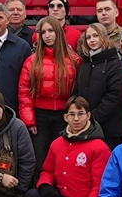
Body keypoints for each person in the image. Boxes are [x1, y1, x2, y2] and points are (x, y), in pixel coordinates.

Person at [26, 96, 109, 197]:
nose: (76, 118)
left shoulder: (99, 147)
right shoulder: (57, 143)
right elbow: (47, 170)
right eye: (72, 114)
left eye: (80, 113)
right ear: (65, 117)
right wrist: (45, 184)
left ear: (88, 115)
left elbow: (100, 189)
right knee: (33, 196)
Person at [18, 15, 78, 164]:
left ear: (58, 32)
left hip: (64, 116)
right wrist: (29, 121)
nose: (47, 35)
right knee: (40, 158)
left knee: (62, 157)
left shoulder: (74, 60)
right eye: (43, 32)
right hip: (40, 117)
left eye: (51, 30)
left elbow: (79, 91)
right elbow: (24, 91)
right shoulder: (31, 61)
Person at [73, 22, 122, 145]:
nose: (92, 40)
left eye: (95, 36)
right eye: (88, 37)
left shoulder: (114, 64)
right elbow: (76, 91)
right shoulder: (84, 64)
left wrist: (92, 117)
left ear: (103, 36)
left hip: (109, 130)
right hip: (85, 127)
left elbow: (115, 96)